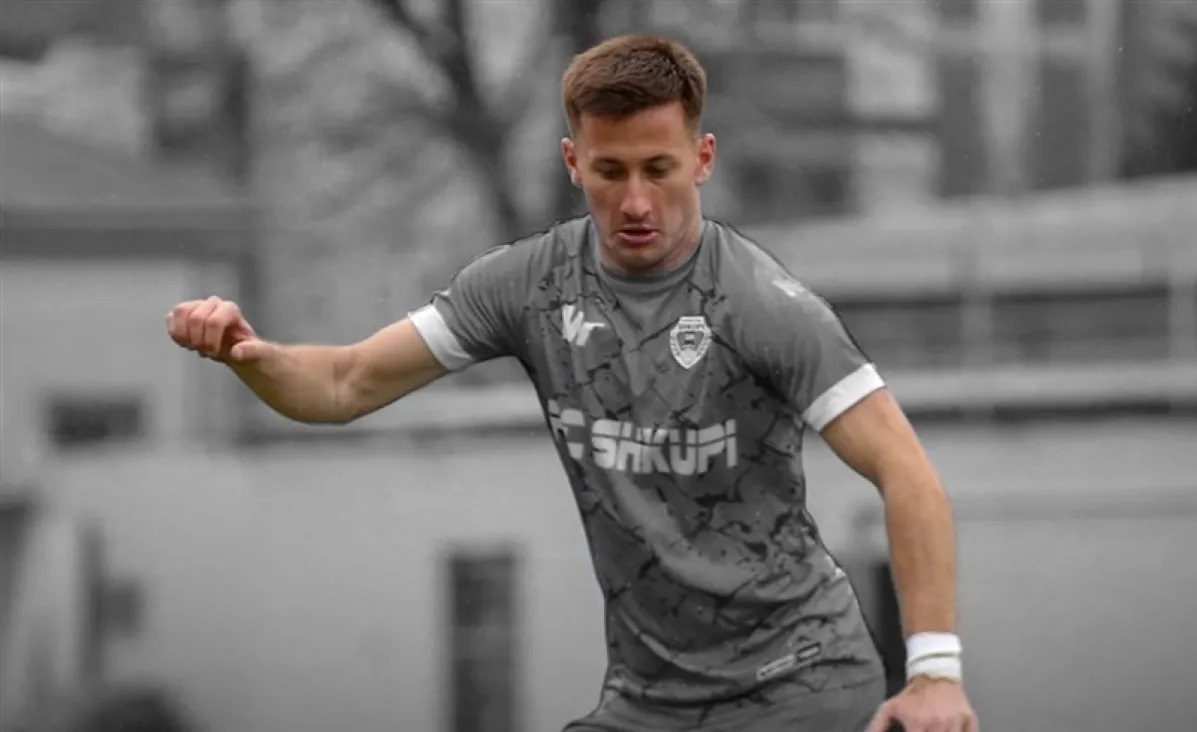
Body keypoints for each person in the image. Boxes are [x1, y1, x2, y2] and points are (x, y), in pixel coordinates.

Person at [166, 33, 978, 732]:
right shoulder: (528, 286)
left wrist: (936, 671)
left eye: (659, 168)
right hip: (649, 703)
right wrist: (250, 354)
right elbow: (345, 383)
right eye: (610, 171)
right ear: (572, 162)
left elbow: (906, 472)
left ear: (702, 159)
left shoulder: (763, 305)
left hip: (799, 681)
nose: (635, 201)